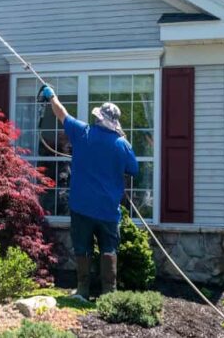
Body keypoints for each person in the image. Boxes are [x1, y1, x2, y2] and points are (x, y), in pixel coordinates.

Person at [41, 85, 138, 299]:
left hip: (81, 206)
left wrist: (52, 95)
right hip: (108, 210)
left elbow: (61, 113)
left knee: (82, 247)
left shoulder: (82, 131)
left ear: (98, 117)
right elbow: (134, 169)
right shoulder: (122, 144)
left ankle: (83, 290)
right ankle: (109, 293)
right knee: (108, 248)